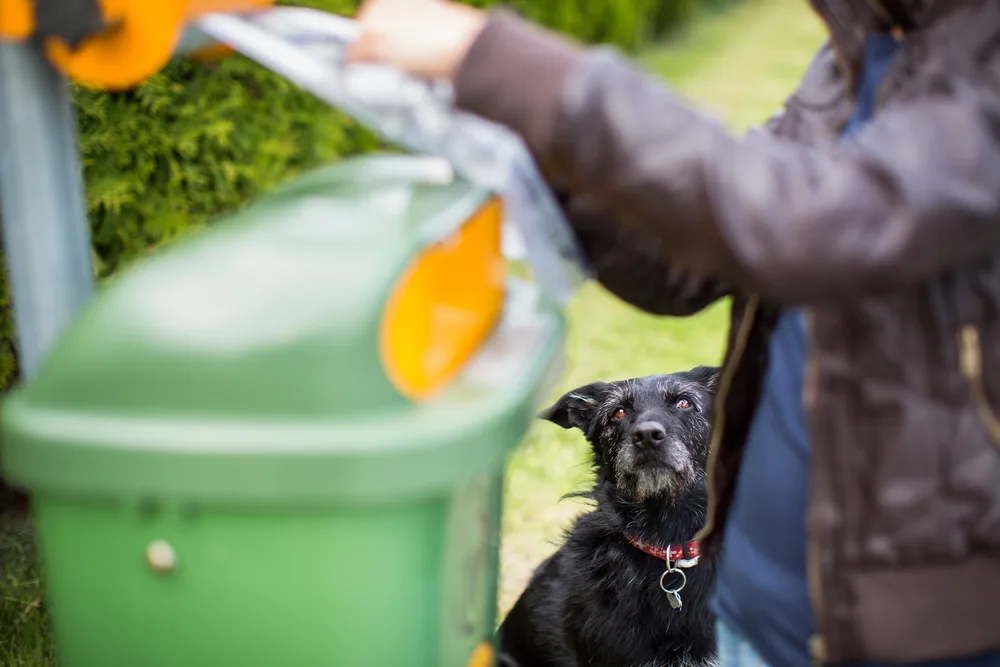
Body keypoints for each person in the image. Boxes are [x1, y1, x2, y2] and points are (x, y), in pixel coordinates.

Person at [348, 1, 1000, 666]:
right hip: (755, 594)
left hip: (924, 629)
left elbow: (814, 223)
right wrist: (537, 160)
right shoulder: (852, 55)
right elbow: (685, 263)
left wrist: (506, 63)